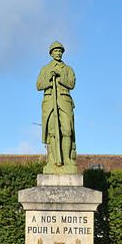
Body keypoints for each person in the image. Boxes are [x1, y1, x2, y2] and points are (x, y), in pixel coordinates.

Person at [36, 41, 77, 174]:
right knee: (52, 132)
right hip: (49, 102)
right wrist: (49, 77)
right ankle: (53, 160)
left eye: (60, 51)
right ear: (51, 53)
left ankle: (66, 159)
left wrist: (60, 77)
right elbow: (38, 85)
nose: (58, 53)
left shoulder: (68, 69)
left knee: (67, 130)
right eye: (55, 51)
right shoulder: (45, 69)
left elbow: (71, 84)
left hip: (64, 101)